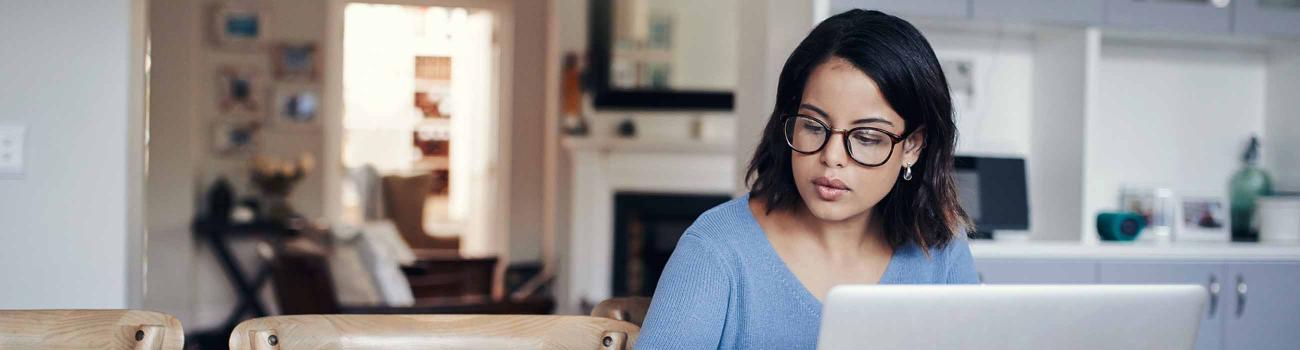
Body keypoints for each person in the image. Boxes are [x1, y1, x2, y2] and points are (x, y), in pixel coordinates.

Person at [636, 9, 978, 349]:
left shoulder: (941, 248)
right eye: (813, 127)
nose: (831, 157)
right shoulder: (715, 250)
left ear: (912, 147)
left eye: (867, 137)